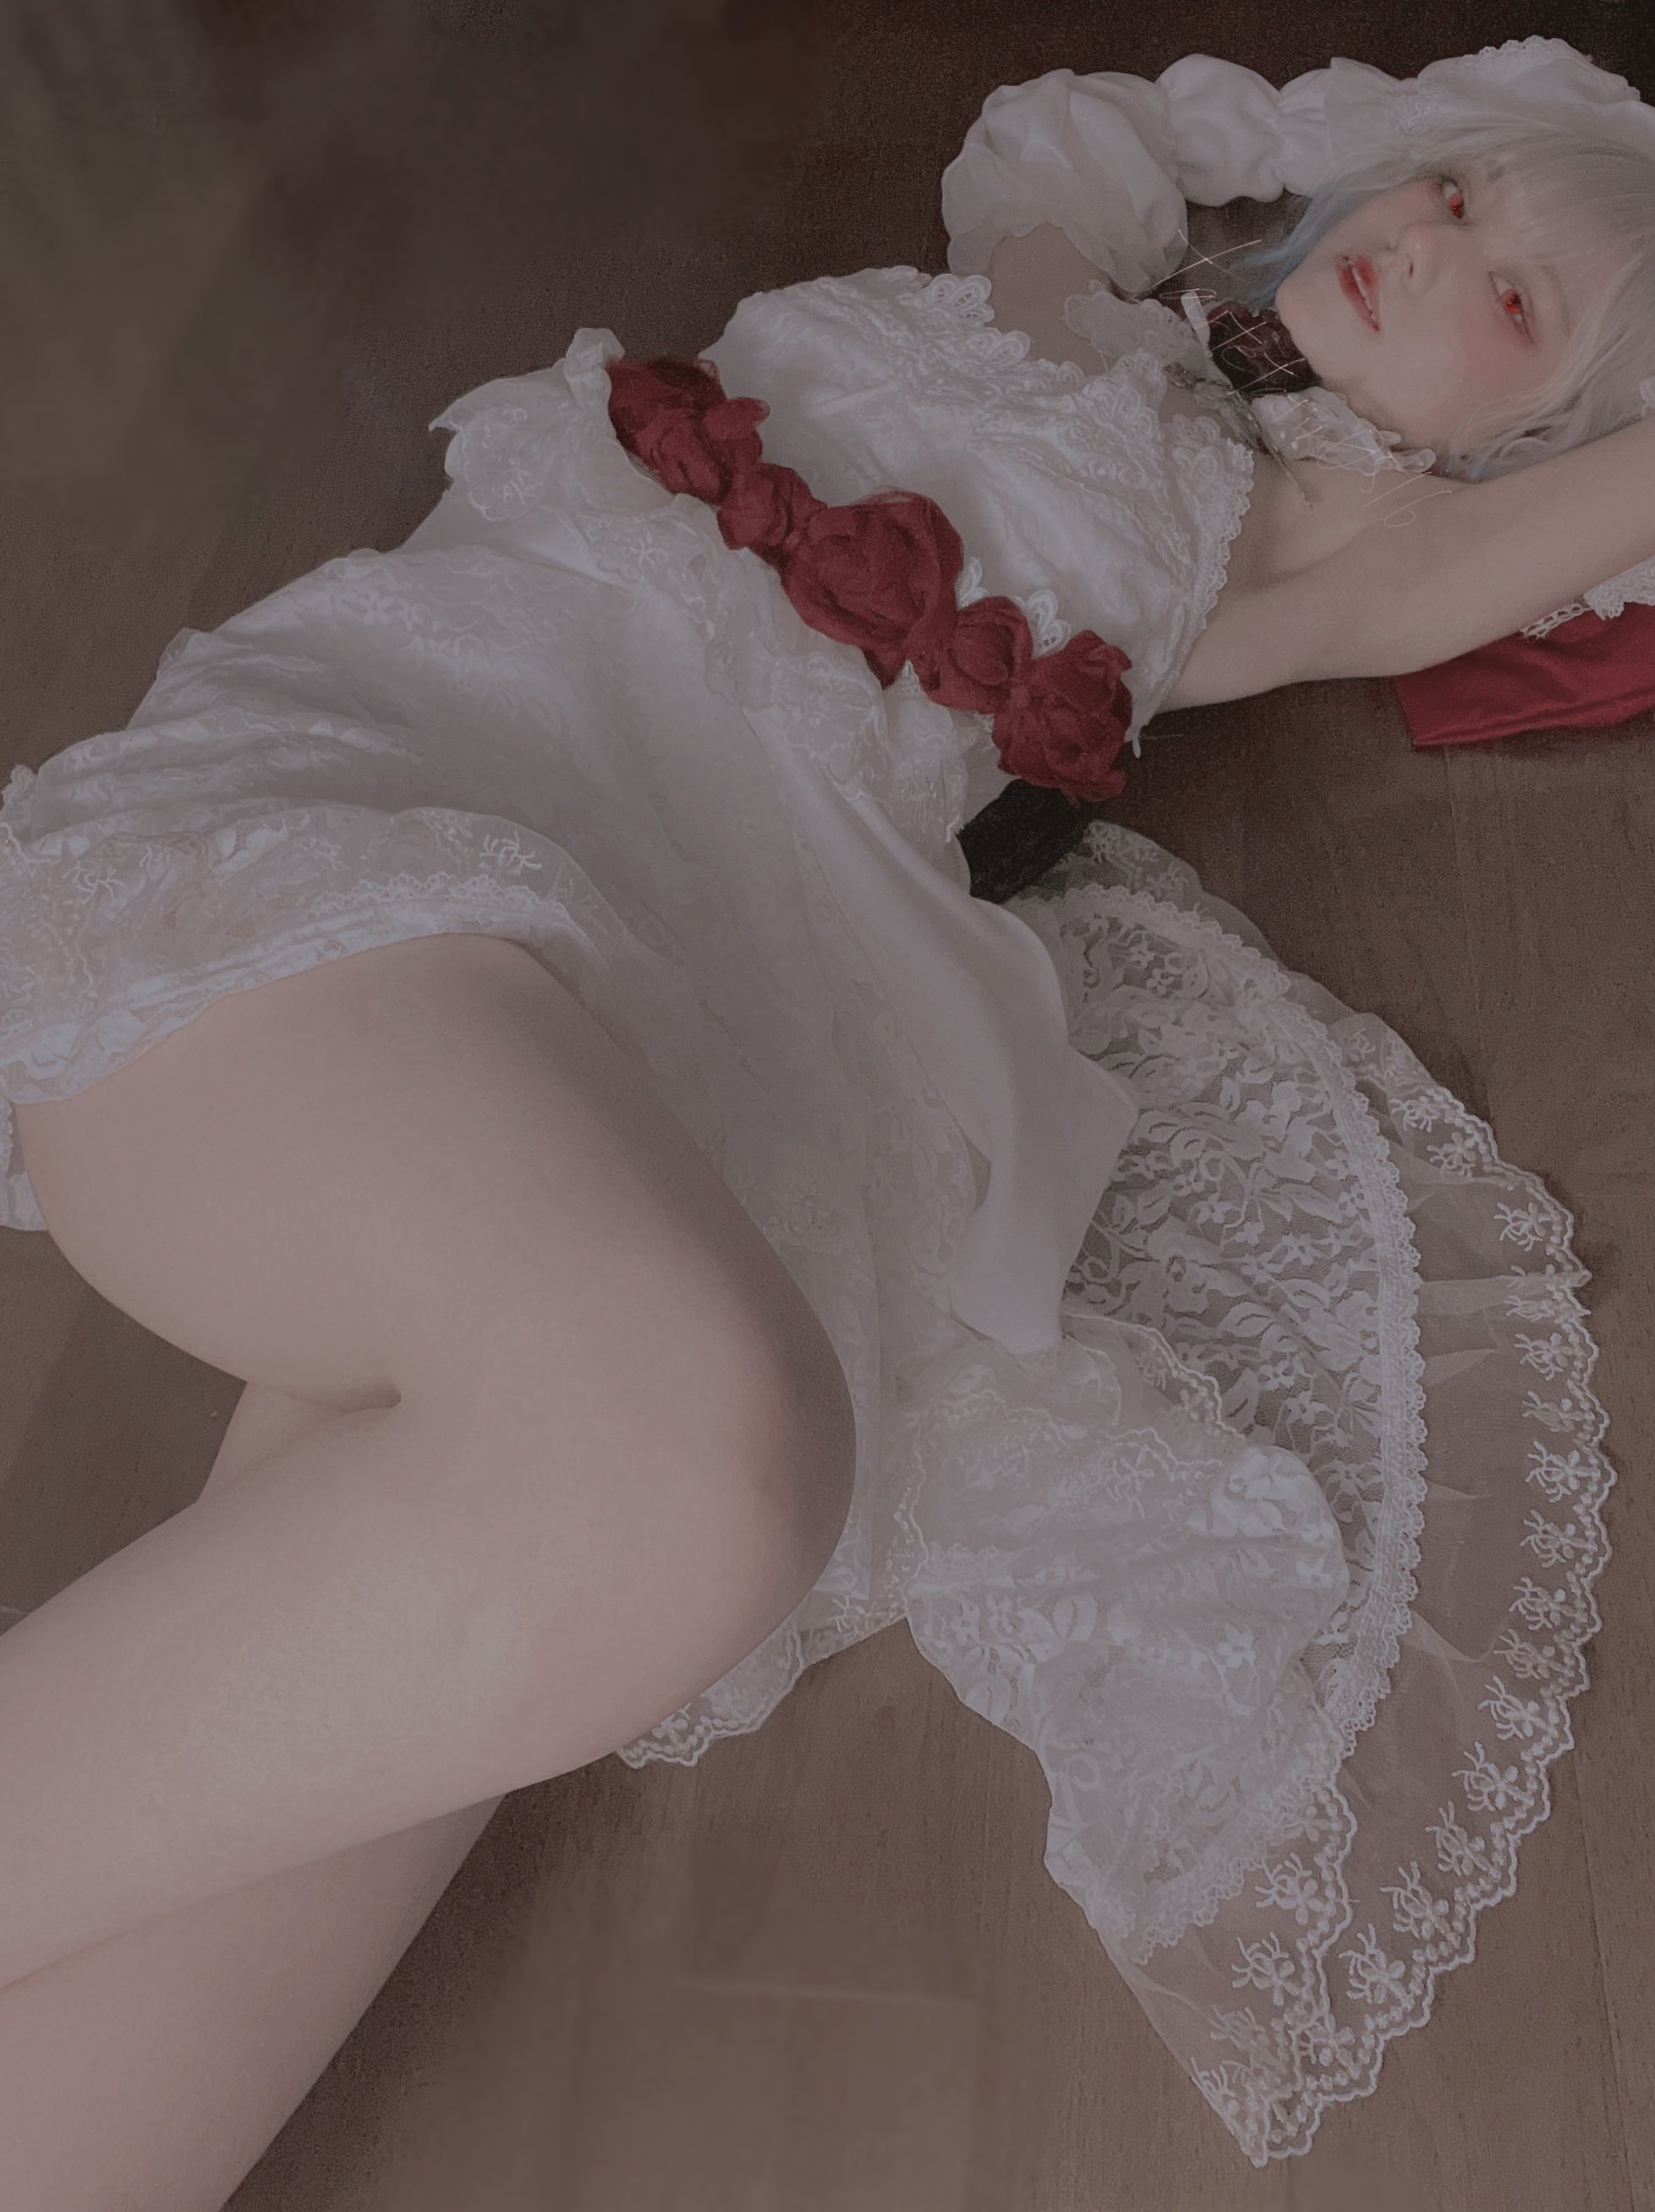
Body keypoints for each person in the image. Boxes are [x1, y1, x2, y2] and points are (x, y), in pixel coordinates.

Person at [0, 32, 1646, 2200]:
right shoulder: (1039, 262)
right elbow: (1099, 125)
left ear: (1526, 434)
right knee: (680, 1482)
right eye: (1443, 191)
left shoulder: (1324, 553)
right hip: (407, 796)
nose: (1430, 245)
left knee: (352, 1780)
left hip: (651, 1038)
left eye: (1509, 295)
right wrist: (1359, 152)